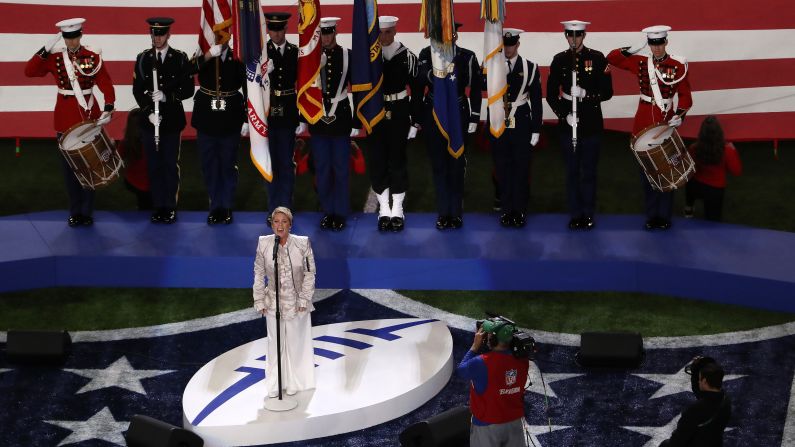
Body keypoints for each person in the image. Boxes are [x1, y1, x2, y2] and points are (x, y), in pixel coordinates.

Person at [24, 18, 115, 227]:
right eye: (67, 38)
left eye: (75, 37)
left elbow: (105, 82)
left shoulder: (92, 57)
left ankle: (87, 211)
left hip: (88, 115)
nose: (72, 42)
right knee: (70, 169)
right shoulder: (54, 57)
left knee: (91, 166)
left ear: (81, 35)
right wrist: (45, 48)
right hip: (64, 119)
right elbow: (29, 71)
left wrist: (109, 105)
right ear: (63, 38)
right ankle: (75, 211)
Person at [607, 25, 692, 231]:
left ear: (666, 42)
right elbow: (612, 58)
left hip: (665, 121)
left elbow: (686, 95)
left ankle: (664, 216)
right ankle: (651, 215)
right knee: (646, 171)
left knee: (667, 167)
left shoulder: (677, 65)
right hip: (643, 120)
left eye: (659, 43)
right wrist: (632, 49)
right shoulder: (641, 62)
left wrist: (679, 115)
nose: (656, 48)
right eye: (652, 44)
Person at [547, 20, 613, 230]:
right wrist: (564, 114)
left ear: (584, 36)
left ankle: (588, 213)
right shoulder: (559, 60)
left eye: (578, 35)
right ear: (565, 36)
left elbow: (608, 92)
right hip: (569, 124)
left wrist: (587, 94)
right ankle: (575, 213)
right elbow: (550, 94)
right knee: (572, 171)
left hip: (591, 123)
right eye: (570, 35)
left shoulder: (597, 58)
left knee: (589, 171)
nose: (574, 40)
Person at [418, 22, 483, 230]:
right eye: (441, 33)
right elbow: (420, 83)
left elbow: (475, 89)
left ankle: (456, 212)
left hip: (458, 114)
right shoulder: (426, 54)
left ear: (455, 35)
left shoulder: (466, 56)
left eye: (449, 33)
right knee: (438, 165)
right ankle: (443, 212)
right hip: (434, 114)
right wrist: (417, 118)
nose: (447, 37)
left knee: (456, 165)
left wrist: (474, 117)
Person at [132, 17, 194, 224]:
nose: (157, 38)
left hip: (171, 121)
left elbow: (187, 89)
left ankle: (170, 206)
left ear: (168, 35)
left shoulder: (180, 58)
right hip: (150, 121)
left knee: (169, 164)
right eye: (153, 34)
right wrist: (149, 110)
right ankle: (158, 206)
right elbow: (137, 90)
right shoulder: (143, 58)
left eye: (160, 34)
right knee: (153, 165)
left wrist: (168, 97)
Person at [252, 207, 316, 397]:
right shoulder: (264, 243)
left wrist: (304, 298)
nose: (279, 226)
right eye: (275, 222)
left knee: (296, 343)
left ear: (290, 224)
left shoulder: (302, 243)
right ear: (271, 224)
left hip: (297, 302)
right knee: (274, 345)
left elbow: (309, 273)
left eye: (283, 221)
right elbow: (259, 273)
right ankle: (274, 384)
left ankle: (295, 382)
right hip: (273, 302)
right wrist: (259, 300)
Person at [189, 23, 247, 225]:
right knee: (209, 164)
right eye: (217, 35)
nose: (221, 39)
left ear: (230, 36)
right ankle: (215, 206)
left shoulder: (239, 56)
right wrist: (207, 56)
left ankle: (227, 206)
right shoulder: (204, 54)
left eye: (224, 35)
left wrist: (247, 118)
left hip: (230, 117)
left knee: (228, 164)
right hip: (206, 117)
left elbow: (248, 85)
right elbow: (188, 70)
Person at [485, 28, 542, 229]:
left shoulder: (530, 68)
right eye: (505, 44)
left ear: (517, 44)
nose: (508, 49)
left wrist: (536, 129)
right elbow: (484, 88)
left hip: (521, 122)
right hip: (499, 121)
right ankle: (507, 210)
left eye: (511, 44)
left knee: (521, 167)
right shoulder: (492, 66)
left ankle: (520, 210)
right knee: (502, 166)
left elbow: (536, 101)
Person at [368, 15, 421, 232]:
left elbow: (417, 91)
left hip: (399, 111)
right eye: (380, 32)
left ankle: (397, 209)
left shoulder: (407, 56)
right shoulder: (370, 57)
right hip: (376, 113)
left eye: (388, 32)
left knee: (398, 161)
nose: (383, 36)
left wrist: (414, 121)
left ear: (395, 31)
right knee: (379, 160)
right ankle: (384, 210)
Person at [309, 17, 359, 231]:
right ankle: (328, 211)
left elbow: (357, 89)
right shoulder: (311, 58)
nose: (326, 38)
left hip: (340, 117)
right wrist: (304, 119)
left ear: (336, 33)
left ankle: (340, 212)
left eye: (329, 33)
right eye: (323, 34)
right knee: (322, 168)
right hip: (318, 118)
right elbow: (305, 91)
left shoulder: (348, 56)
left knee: (340, 168)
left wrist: (357, 119)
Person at [457, 320, 530, 447]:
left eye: (489, 334)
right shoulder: (523, 360)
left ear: (493, 340)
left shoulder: (480, 363)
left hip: (487, 425)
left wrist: (475, 346)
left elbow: (461, 370)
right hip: (514, 421)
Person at [265, 12, 301, 227]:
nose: (276, 33)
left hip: (287, 110)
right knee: (270, 163)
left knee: (286, 162)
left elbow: (304, 82)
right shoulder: (261, 54)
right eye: (272, 29)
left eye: (280, 29)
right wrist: (262, 73)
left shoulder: (295, 53)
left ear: (285, 30)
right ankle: (272, 208)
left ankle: (285, 206)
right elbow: (248, 84)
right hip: (268, 112)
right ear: (268, 30)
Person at [660, 357, 732, 446]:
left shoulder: (694, 410)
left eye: (699, 378)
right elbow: (703, 394)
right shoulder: (725, 399)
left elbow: (676, 442)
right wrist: (698, 370)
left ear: (704, 381)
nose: (698, 381)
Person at [684, 116, 742, 222]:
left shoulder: (694, 148)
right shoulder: (728, 150)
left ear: (701, 132)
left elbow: (688, 168)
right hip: (715, 190)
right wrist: (734, 151)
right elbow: (736, 171)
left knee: (690, 180)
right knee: (713, 222)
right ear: (720, 132)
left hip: (697, 186)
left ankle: (689, 207)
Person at [117, 108, 152, 211]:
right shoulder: (152, 141)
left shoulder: (125, 142)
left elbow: (117, 161)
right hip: (151, 184)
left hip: (132, 182)